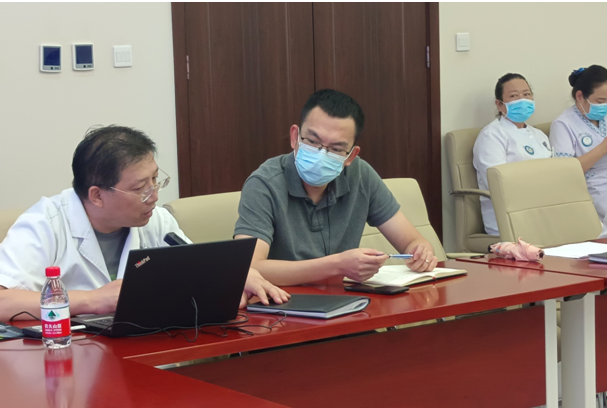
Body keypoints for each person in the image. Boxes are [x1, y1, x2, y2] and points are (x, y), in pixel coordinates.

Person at [0, 125, 289, 321]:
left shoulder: (155, 220)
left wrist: (232, 277)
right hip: (70, 360)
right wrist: (92, 301)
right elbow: (3, 302)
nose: (154, 196)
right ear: (97, 195)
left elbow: (195, 272)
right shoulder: (44, 224)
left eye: (155, 179)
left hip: (144, 351)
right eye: (140, 188)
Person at [234, 89, 438, 286]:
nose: (321, 154)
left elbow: (412, 242)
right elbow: (249, 267)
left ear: (351, 155)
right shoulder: (264, 184)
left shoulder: (361, 175)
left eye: (336, 149)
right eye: (312, 141)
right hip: (283, 302)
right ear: (295, 136)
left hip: (349, 300)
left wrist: (421, 252)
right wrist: (338, 265)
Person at [473, 73, 552, 236]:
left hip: (545, 210)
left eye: (526, 94)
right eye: (514, 96)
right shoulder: (492, 135)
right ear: (499, 104)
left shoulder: (539, 135)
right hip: (511, 216)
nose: (522, 100)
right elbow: (496, 183)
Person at [550, 65, 607, 223]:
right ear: (580, 96)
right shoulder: (563, 124)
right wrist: (603, 148)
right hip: (595, 187)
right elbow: (565, 172)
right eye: (601, 101)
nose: (605, 106)